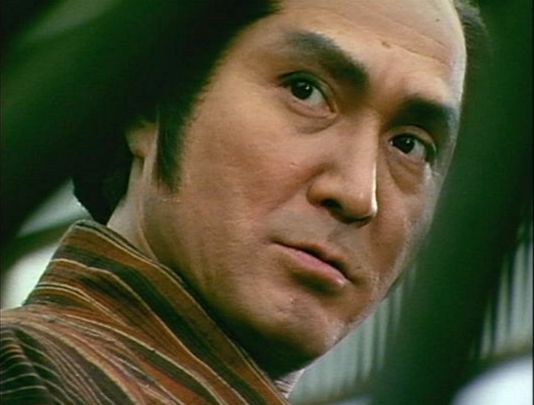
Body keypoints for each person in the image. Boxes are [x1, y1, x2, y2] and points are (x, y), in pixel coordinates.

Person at [1, 0, 485, 403]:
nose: (358, 194)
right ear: (148, 102)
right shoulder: (26, 374)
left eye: (409, 145)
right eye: (306, 92)